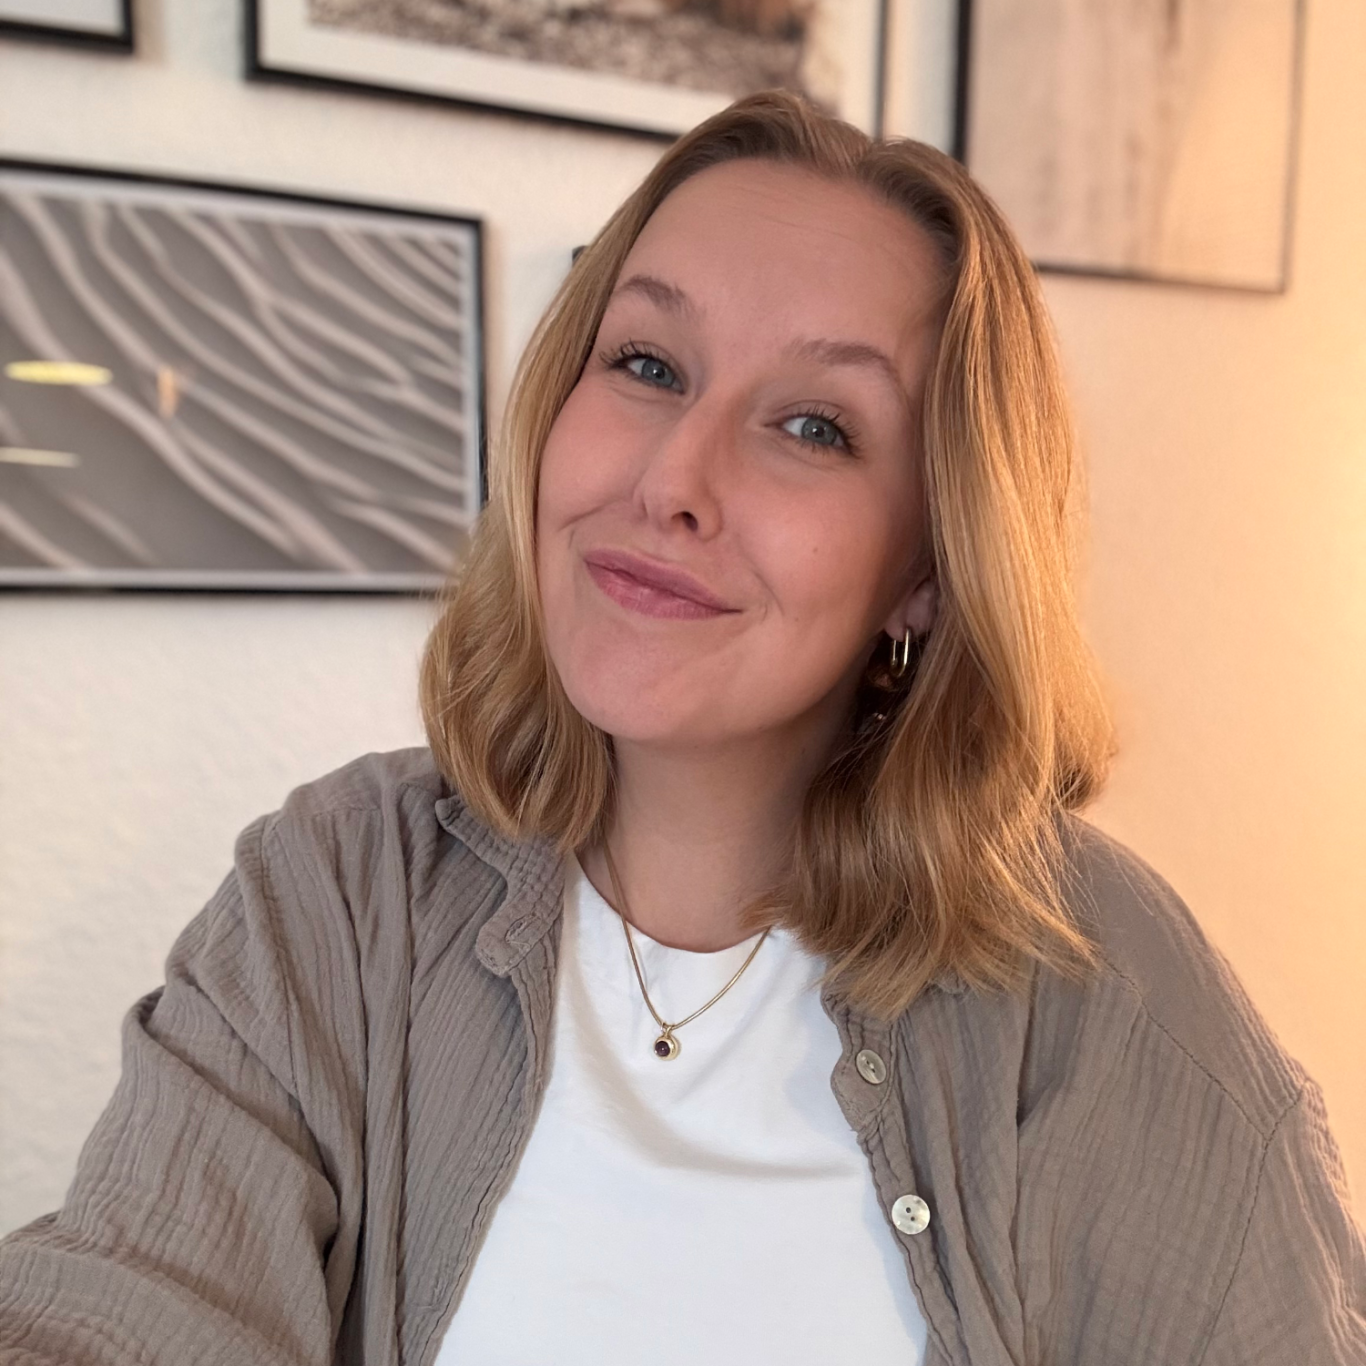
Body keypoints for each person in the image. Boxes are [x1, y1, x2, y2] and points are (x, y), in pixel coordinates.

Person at [1, 91, 1362, 1366]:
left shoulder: (1098, 988)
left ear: (928, 567)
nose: (672, 480)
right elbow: (124, 1304)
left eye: (814, 426)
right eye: (647, 363)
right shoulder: (341, 893)